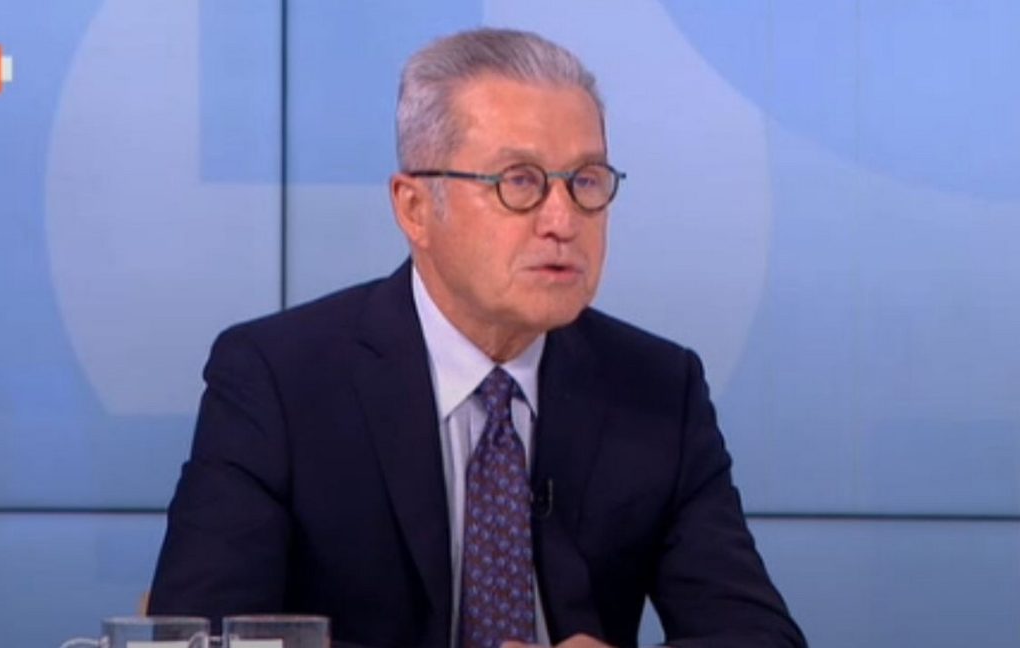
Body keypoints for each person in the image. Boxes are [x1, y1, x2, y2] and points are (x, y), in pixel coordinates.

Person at [149, 28, 806, 648]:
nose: (563, 220)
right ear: (414, 208)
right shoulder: (279, 380)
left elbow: (758, 637)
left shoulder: (658, 388)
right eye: (518, 181)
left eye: (585, 181)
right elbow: (201, 635)